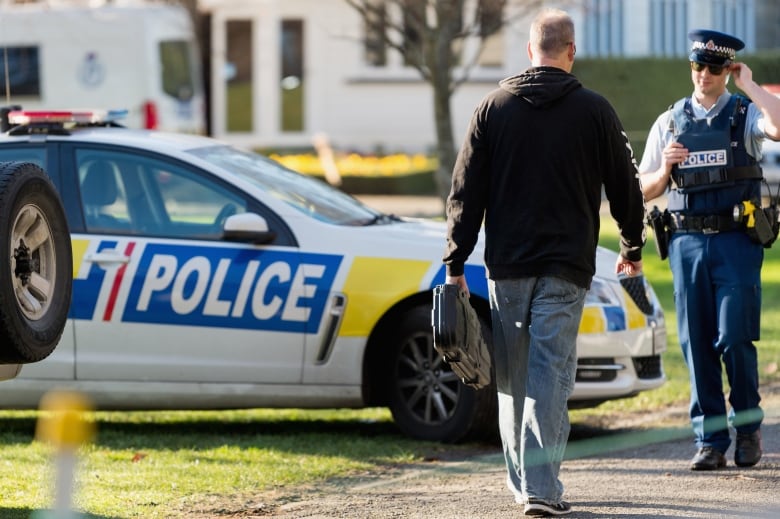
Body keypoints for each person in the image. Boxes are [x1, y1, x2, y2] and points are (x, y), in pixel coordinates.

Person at [442, 8, 645, 517]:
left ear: (530, 50)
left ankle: (525, 484)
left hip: (507, 266)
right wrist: (631, 248)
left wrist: (454, 263)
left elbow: (465, 193)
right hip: (566, 266)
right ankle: (541, 488)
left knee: (513, 377)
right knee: (551, 374)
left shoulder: (493, 108)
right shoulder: (595, 110)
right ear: (570, 52)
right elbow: (626, 186)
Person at [639, 29, 780, 471]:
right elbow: (642, 188)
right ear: (691, 68)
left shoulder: (745, 113)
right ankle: (711, 441)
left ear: (728, 70)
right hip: (685, 244)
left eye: (715, 68)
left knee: (734, 336)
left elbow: (778, 126)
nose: (704, 75)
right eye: (698, 66)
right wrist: (665, 169)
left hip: (736, 242)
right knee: (696, 340)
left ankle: (748, 428)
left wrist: (751, 85)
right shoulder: (670, 121)